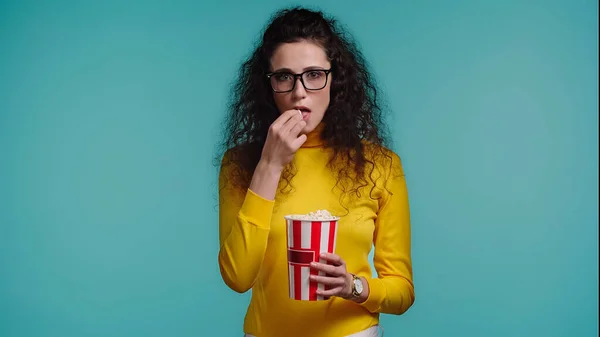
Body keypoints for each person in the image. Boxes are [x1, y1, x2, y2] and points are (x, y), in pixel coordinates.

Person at [216, 6, 414, 337]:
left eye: (313, 74)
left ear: (335, 80)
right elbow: (238, 277)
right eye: (284, 77)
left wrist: (353, 286)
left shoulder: (381, 165)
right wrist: (269, 163)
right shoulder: (240, 163)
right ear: (269, 86)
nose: (299, 92)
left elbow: (402, 291)